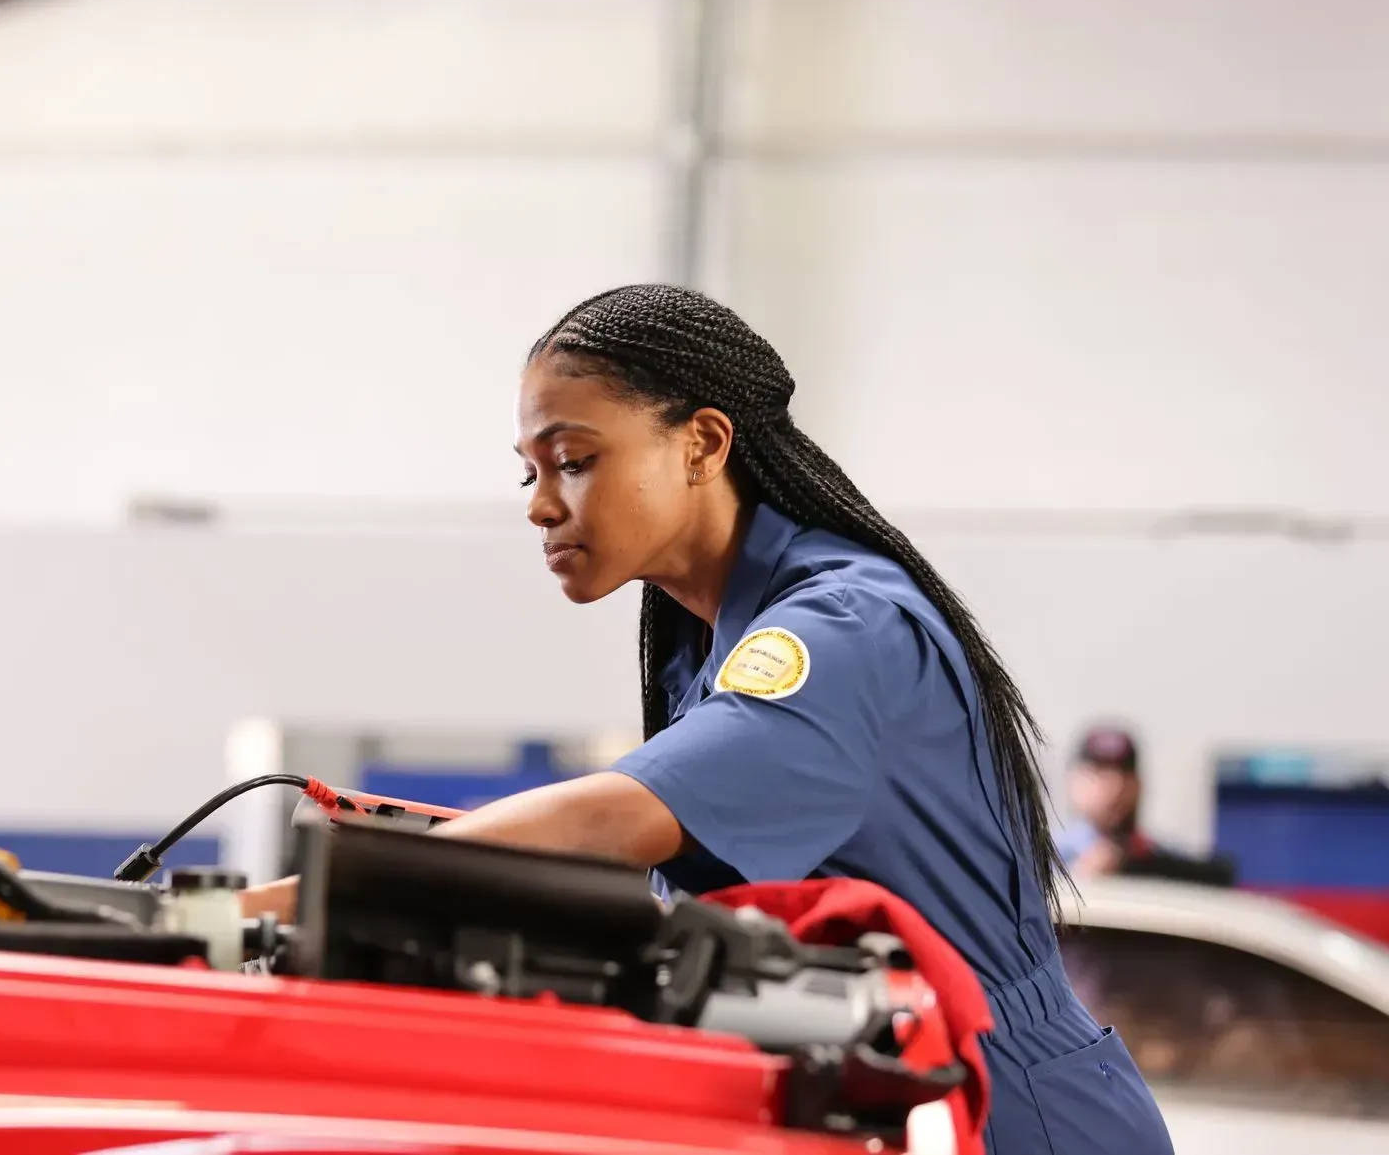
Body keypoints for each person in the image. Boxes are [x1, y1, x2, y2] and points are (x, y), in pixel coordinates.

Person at [242, 284, 1173, 1154]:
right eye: (529, 470)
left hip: (1014, 1110)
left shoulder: (840, 630)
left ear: (704, 443)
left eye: (574, 460)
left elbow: (611, 820)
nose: (538, 504)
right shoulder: (707, 644)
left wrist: (282, 909)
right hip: (890, 1085)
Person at [1056, 724, 1162, 879]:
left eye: (1125, 773)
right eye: (1100, 772)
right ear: (1072, 781)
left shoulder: (1158, 858)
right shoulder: (1039, 857)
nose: (1115, 787)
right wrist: (1080, 875)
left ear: (1139, 785)